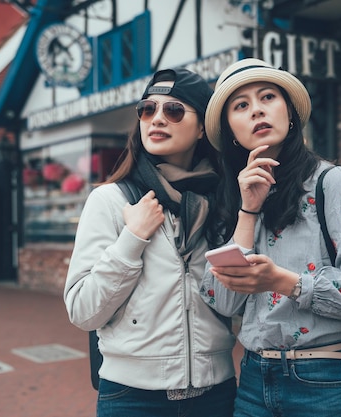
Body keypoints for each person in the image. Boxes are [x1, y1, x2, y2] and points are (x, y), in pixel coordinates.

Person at [200, 58, 341, 417]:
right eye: (241, 106)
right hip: (255, 379)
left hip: (327, 379)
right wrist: (248, 210)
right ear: (231, 131)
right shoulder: (234, 195)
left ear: (290, 113)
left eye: (267, 97)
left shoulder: (334, 183)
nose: (256, 110)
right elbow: (222, 300)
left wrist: (284, 282)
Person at [63, 68, 236, 417]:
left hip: (216, 393)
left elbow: (236, 303)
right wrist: (133, 239)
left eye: (173, 110)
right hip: (133, 397)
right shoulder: (111, 200)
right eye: (147, 109)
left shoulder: (223, 202)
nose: (157, 119)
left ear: (202, 127)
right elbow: (82, 311)